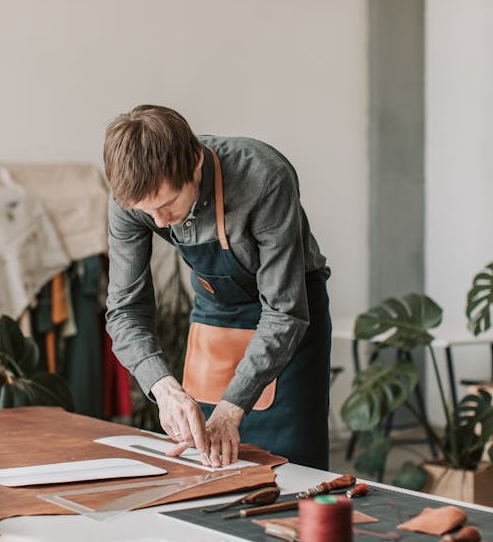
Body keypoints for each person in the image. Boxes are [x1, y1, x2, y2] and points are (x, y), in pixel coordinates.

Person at [104, 105, 332, 470]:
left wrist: (231, 408)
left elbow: (284, 310)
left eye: (167, 204)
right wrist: (163, 388)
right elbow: (125, 310)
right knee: (204, 465)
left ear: (195, 163)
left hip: (290, 313)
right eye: (148, 213)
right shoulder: (130, 198)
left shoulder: (263, 176)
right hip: (215, 316)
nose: (160, 222)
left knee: (294, 471)